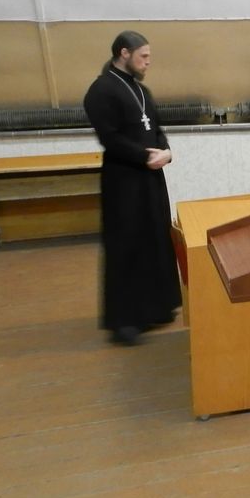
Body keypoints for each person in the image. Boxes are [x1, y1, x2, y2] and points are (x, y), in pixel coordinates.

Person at [83, 31, 181, 345]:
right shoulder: (101, 90)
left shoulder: (141, 90)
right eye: (143, 56)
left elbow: (157, 128)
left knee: (154, 239)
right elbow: (109, 138)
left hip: (150, 178)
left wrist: (166, 151)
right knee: (126, 244)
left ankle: (155, 307)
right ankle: (124, 321)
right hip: (123, 180)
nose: (148, 62)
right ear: (124, 53)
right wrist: (144, 156)